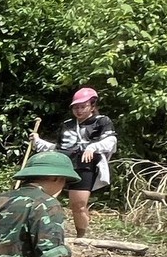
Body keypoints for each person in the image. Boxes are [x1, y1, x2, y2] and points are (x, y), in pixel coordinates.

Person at [33, 86, 118, 237]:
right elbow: (57, 148)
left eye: (82, 107)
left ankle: (81, 236)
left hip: (84, 166)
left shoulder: (101, 121)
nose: (79, 110)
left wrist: (93, 147)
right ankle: (43, 232)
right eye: (75, 107)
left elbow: (111, 141)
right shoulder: (68, 124)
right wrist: (37, 141)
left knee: (78, 205)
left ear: (92, 106)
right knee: (46, 198)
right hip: (61, 165)